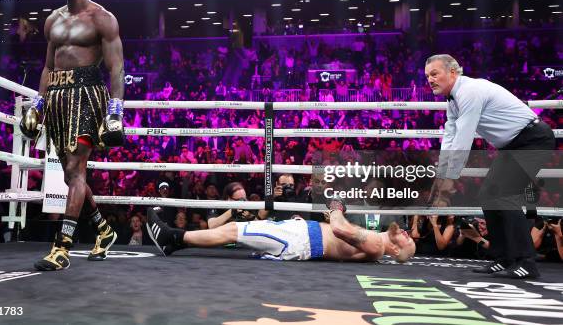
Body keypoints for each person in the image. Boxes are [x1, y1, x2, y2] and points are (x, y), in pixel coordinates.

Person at [20, 0, 126, 271]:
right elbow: (48, 67)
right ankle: (104, 231)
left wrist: (116, 110)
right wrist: (38, 105)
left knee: (77, 171)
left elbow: (116, 67)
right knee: (69, 174)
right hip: (56, 98)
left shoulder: (102, 18)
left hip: (86, 96)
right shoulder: (52, 19)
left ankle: (62, 247)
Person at [425, 54, 555, 279]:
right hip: (516, 144)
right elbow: (451, 133)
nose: (430, 79)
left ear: (453, 72)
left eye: (434, 74)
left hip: (532, 139)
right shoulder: (454, 99)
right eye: (427, 76)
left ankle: (526, 262)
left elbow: (464, 137)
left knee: (504, 196)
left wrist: (449, 176)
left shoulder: (469, 92)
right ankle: (503, 258)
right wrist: (443, 170)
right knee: (489, 195)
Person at [146, 200, 415, 263]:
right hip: (303, 234)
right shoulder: (377, 242)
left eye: (406, 241)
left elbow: (339, 229)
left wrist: (335, 208)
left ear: (395, 250)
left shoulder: (378, 246)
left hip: (303, 242)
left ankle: (173, 239)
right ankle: (176, 238)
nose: (406, 234)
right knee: (235, 229)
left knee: (235, 231)